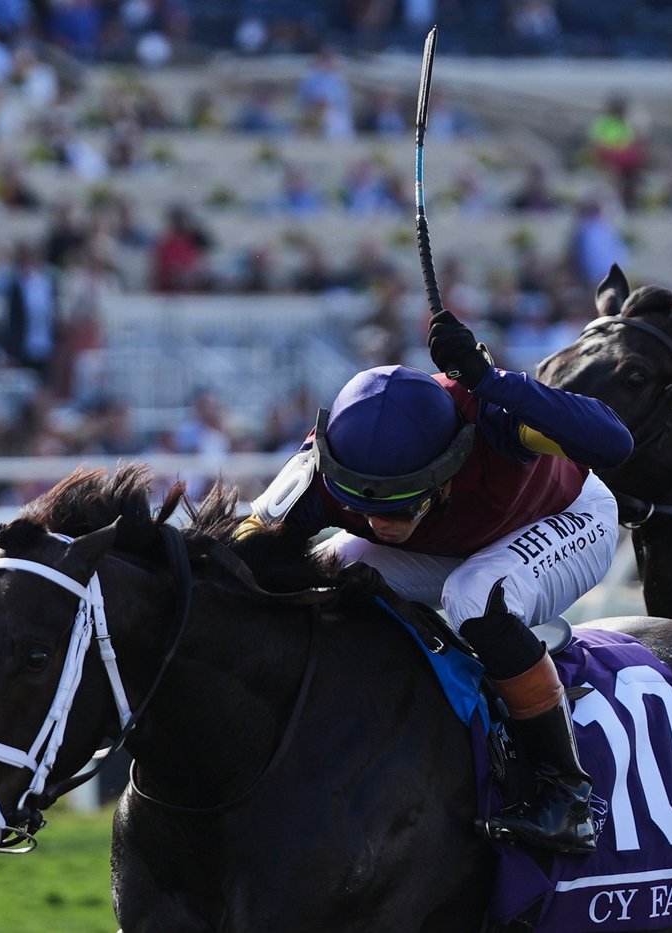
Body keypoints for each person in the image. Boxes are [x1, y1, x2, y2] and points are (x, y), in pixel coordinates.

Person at [240, 309, 633, 854]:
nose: (379, 525)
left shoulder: (494, 418)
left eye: (400, 506)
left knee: (472, 595)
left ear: (449, 463)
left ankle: (565, 795)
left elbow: (614, 441)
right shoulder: (321, 465)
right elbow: (241, 550)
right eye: (364, 506)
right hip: (455, 542)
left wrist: (495, 383)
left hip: (566, 517)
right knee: (330, 573)